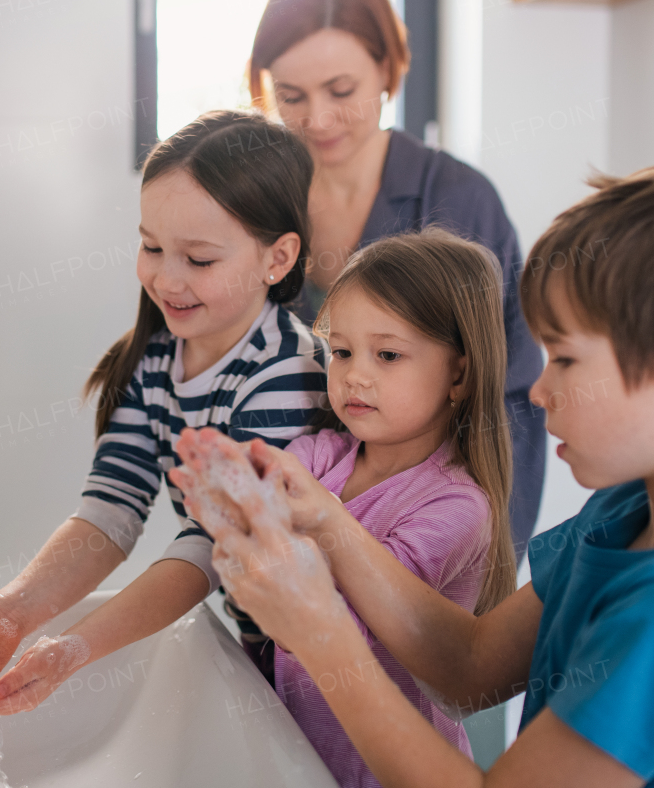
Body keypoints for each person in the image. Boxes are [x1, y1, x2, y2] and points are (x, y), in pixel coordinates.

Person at [177, 155, 654, 787]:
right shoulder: (624, 514)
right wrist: (326, 520)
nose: (538, 389)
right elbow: (469, 669)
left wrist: (319, 632)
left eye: (567, 360)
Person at [0, 111, 330, 712]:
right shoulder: (156, 358)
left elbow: (213, 548)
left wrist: (73, 648)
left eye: (200, 259)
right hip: (266, 640)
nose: (165, 277)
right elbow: (111, 510)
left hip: (330, 660)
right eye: (151, 246)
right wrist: (9, 613)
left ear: (278, 258)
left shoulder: (286, 374)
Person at [175, 230, 517, 787]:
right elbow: (262, 556)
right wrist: (231, 497)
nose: (355, 374)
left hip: (390, 765)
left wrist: (278, 530)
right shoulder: (320, 454)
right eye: (341, 352)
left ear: (459, 373)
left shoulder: (457, 506)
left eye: (387, 355)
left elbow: (341, 616)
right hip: (302, 751)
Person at [248, 0, 545, 554]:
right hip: (290, 525)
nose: (318, 119)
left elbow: (504, 396)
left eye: (341, 91)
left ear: (387, 68)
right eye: (291, 96)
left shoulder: (456, 199)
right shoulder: (257, 204)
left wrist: (475, 570)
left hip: (429, 537)